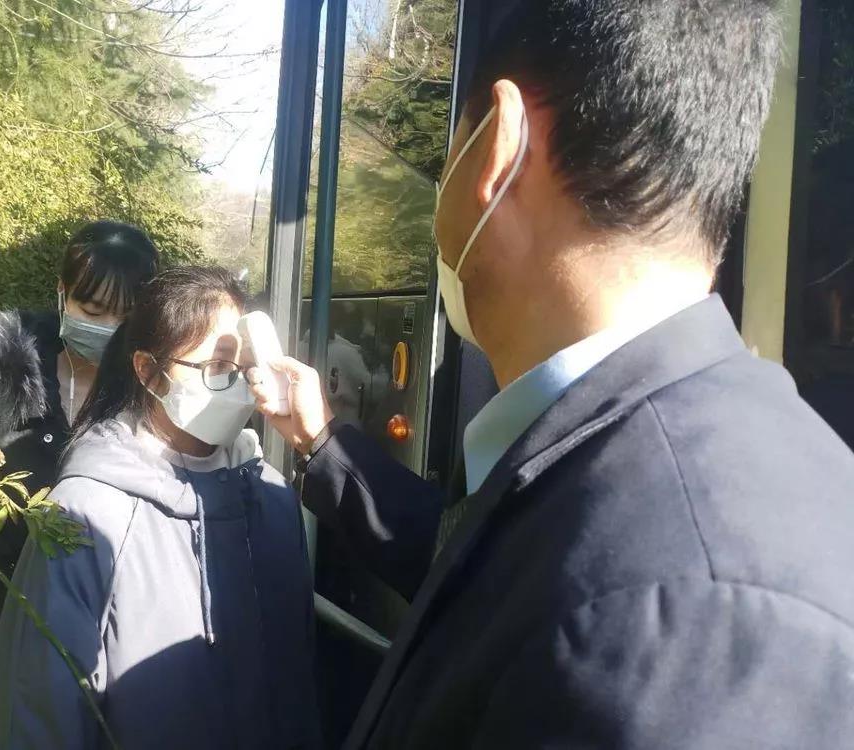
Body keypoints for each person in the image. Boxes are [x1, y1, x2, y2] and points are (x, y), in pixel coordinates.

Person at [250, 2, 854, 748]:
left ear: (497, 149)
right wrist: (320, 440)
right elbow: (486, 574)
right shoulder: (664, 464)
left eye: (446, 154)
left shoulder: (682, 620)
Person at [0, 267, 318, 749]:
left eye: (245, 369)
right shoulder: (87, 513)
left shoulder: (273, 500)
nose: (239, 386)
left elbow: (299, 684)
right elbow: (35, 712)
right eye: (216, 367)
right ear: (148, 370)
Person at [0, 219, 159, 729]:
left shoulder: (152, 401)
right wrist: (3, 603)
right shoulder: (2, 388)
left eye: (126, 315)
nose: (109, 328)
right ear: (62, 294)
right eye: (93, 310)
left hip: (119, 665)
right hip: (5, 658)